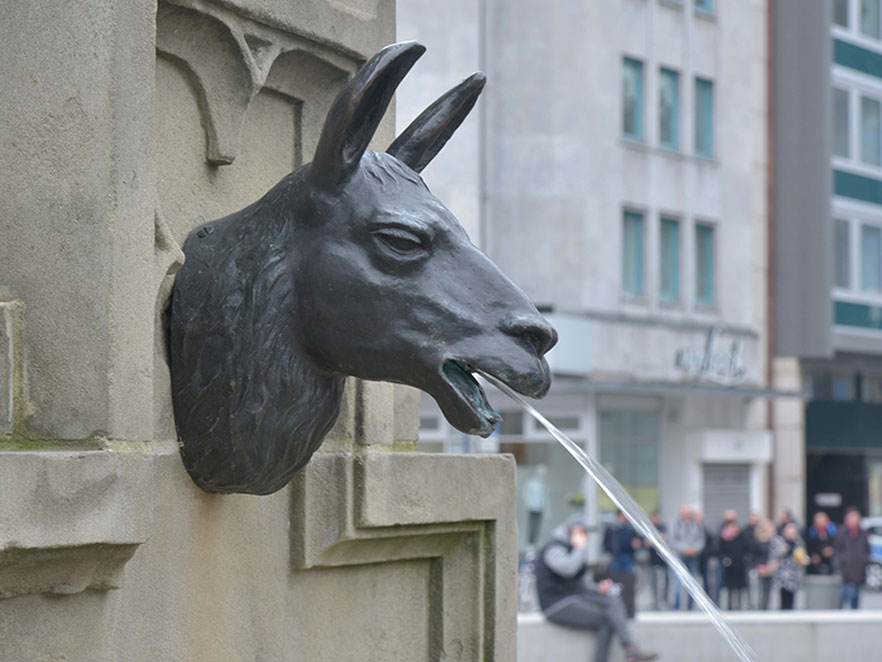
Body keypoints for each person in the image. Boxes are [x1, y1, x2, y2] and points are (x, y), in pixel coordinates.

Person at [535, 514, 659, 662]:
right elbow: (568, 569)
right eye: (583, 532)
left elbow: (579, 583)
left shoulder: (573, 549)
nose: (586, 537)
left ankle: (631, 648)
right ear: (572, 532)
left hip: (573, 597)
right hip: (556, 603)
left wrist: (597, 588)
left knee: (611, 598)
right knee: (606, 620)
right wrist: (579, 548)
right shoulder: (554, 549)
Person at [669, 504, 705, 611]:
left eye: (689, 513)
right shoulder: (674, 525)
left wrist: (694, 549)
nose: (687, 515)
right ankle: (677, 606)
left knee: (692, 582)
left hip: (693, 558)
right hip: (680, 557)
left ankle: (690, 607)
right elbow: (672, 541)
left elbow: (701, 540)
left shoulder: (696, 525)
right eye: (685, 513)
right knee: (678, 583)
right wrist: (685, 549)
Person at [835, 506, 871, 609]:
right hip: (846, 568)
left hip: (859, 568)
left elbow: (866, 549)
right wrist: (843, 560)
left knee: (856, 596)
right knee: (845, 595)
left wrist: (864, 560)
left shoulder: (863, 533)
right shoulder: (842, 533)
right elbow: (838, 549)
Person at [771, 522, 809, 609]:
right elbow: (776, 554)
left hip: (793, 575)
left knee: (791, 599)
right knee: (781, 598)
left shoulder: (798, 542)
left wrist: (803, 560)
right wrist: (787, 548)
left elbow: (801, 555)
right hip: (781, 575)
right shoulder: (778, 541)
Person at [718, 519, 749, 610]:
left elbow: (747, 549)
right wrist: (724, 559)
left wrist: (745, 559)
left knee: (739, 588)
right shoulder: (723, 538)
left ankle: (739, 606)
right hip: (729, 567)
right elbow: (720, 551)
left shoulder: (742, 537)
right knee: (730, 588)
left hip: (739, 566)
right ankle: (729, 606)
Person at [644, 510, 669, 610]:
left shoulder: (663, 527)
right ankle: (656, 602)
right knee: (654, 582)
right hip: (653, 560)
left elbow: (664, 539)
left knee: (664, 582)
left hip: (663, 560)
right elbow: (646, 543)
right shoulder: (649, 528)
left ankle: (663, 601)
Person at [752, 519, 778, 610]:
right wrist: (758, 566)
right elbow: (755, 556)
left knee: (768, 590)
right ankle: (759, 607)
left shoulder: (773, 542)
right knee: (759, 590)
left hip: (770, 569)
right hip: (760, 569)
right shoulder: (758, 541)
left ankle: (766, 607)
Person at [523, 465, 549, 549]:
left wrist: (547, 509)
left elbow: (545, 497)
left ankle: (535, 543)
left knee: (537, 526)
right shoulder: (532, 483)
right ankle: (529, 544)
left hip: (540, 508)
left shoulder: (543, 484)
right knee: (532, 525)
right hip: (532, 507)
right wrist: (528, 504)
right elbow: (526, 494)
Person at [806, 511, 837, 575]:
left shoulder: (834, 534)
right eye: (818, 523)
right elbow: (809, 547)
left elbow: (839, 546)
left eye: (823, 522)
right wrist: (814, 555)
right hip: (815, 567)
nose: (821, 525)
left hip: (830, 564)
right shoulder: (811, 534)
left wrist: (832, 550)